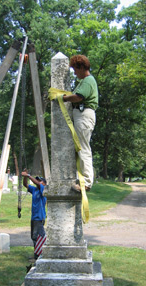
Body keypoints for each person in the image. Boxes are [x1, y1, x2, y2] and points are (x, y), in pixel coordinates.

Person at [63, 54, 98, 192]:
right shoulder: (84, 81)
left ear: (82, 67)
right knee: (79, 148)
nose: (75, 72)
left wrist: (63, 98)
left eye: (76, 69)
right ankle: (81, 179)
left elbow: (78, 97)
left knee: (83, 148)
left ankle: (87, 182)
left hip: (84, 115)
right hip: (81, 115)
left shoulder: (88, 80)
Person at [21, 169, 47, 260]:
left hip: (39, 217)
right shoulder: (34, 190)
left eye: (40, 180)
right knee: (34, 236)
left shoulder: (43, 189)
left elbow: (38, 184)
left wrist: (28, 175)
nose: (38, 181)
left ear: (44, 183)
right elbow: (25, 185)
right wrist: (25, 177)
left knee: (39, 236)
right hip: (34, 217)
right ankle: (37, 254)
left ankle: (40, 255)